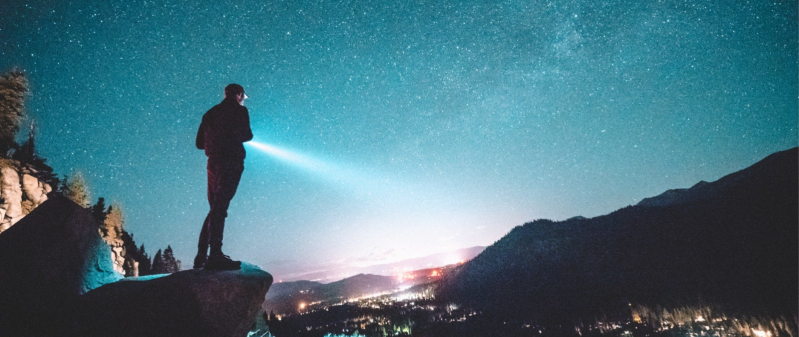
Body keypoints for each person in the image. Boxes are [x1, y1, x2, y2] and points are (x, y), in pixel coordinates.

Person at [194, 83, 253, 270]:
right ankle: (215, 255)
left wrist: (215, 141)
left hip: (213, 163)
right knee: (220, 207)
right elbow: (247, 135)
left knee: (215, 207)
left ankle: (202, 255)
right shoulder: (239, 111)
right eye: (243, 96)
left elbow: (199, 144)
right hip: (231, 160)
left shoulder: (209, 114)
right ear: (239, 95)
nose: (243, 100)